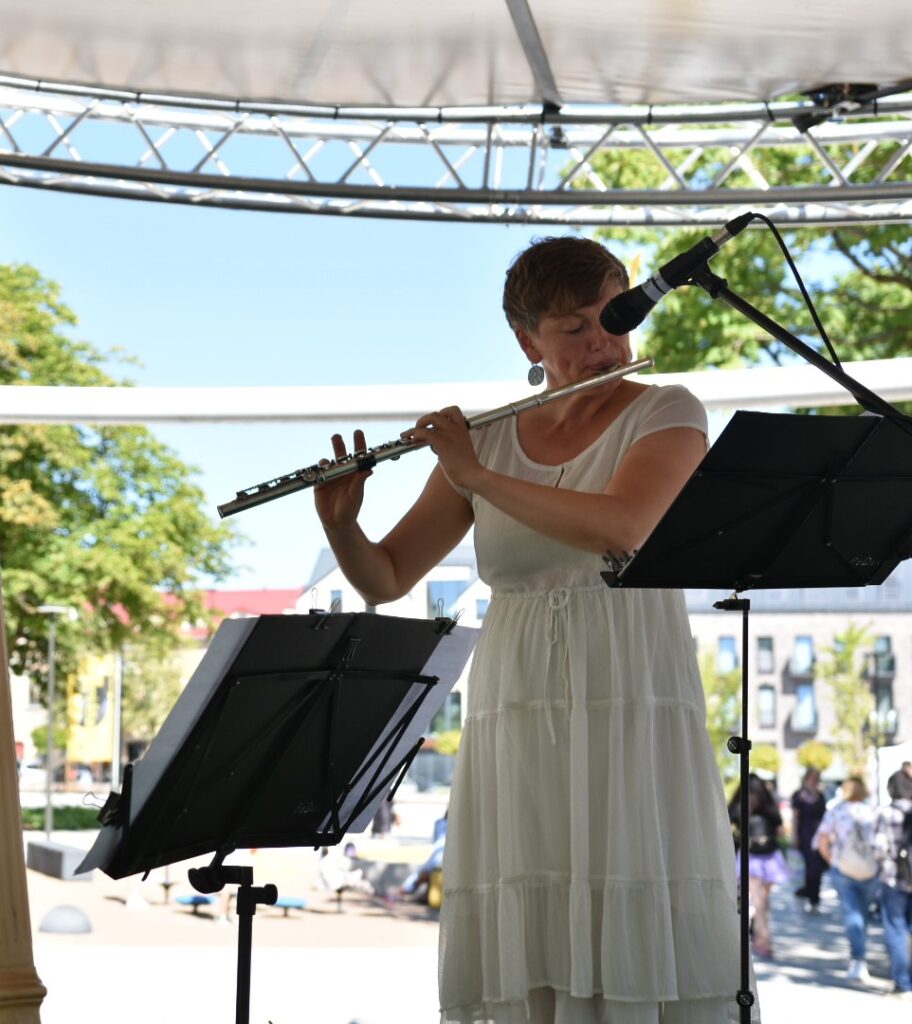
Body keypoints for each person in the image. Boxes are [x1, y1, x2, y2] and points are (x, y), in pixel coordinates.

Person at [315, 236, 743, 1021]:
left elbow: (623, 527)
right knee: (532, 905)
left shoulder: (667, 409)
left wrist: (476, 476)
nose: (603, 341)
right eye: (574, 328)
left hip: (627, 689)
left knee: (628, 885)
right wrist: (343, 526)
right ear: (527, 342)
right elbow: (385, 578)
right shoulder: (482, 439)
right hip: (519, 701)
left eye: (614, 316)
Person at [817, 776, 881, 983]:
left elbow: (822, 841)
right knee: (862, 914)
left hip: (843, 868)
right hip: (870, 870)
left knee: (852, 914)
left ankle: (858, 958)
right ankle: (860, 954)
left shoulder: (836, 811)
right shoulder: (870, 811)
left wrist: (832, 861)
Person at [729, 773, 788, 958]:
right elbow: (780, 829)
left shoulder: (742, 806)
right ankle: (763, 937)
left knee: (759, 900)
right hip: (766, 855)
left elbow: (728, 822)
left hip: (755, 855)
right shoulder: (766, 807)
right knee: (761, 899)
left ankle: (761, 936)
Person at [878, 772, 912, 995]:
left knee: (896, 928)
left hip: (894, 877)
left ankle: (903, 983)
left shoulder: (885, 813)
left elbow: (878, 848)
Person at [790, 767, 828, 912]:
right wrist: (794, 836)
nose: (814, 780)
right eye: (812, 777)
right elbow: (795, 816)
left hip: (819, 835)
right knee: (809, 867)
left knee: (817, 867)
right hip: (805, 834)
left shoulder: (820, 795)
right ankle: (807, 893)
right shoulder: (799, 795)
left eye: (816, 777)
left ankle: (814, 896)